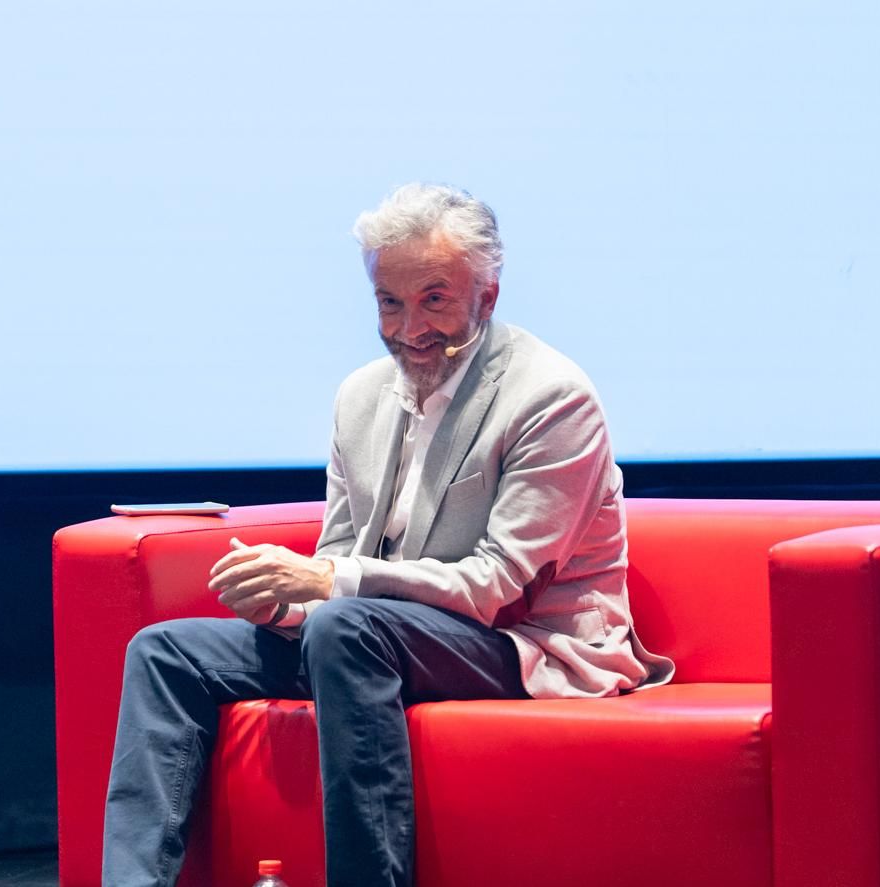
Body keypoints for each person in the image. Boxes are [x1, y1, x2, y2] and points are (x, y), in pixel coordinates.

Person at [102, 183, 673, 887]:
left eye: (435, 299)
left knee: (346, 629)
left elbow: (496, 586)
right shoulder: (360, 397)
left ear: (488, 297)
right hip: (373, 635)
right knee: (164, 652)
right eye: (390, 302)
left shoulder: (552, 398)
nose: (409, 328)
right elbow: (341, 557)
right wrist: (283, 604)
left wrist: (328, 587)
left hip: (523, 643)